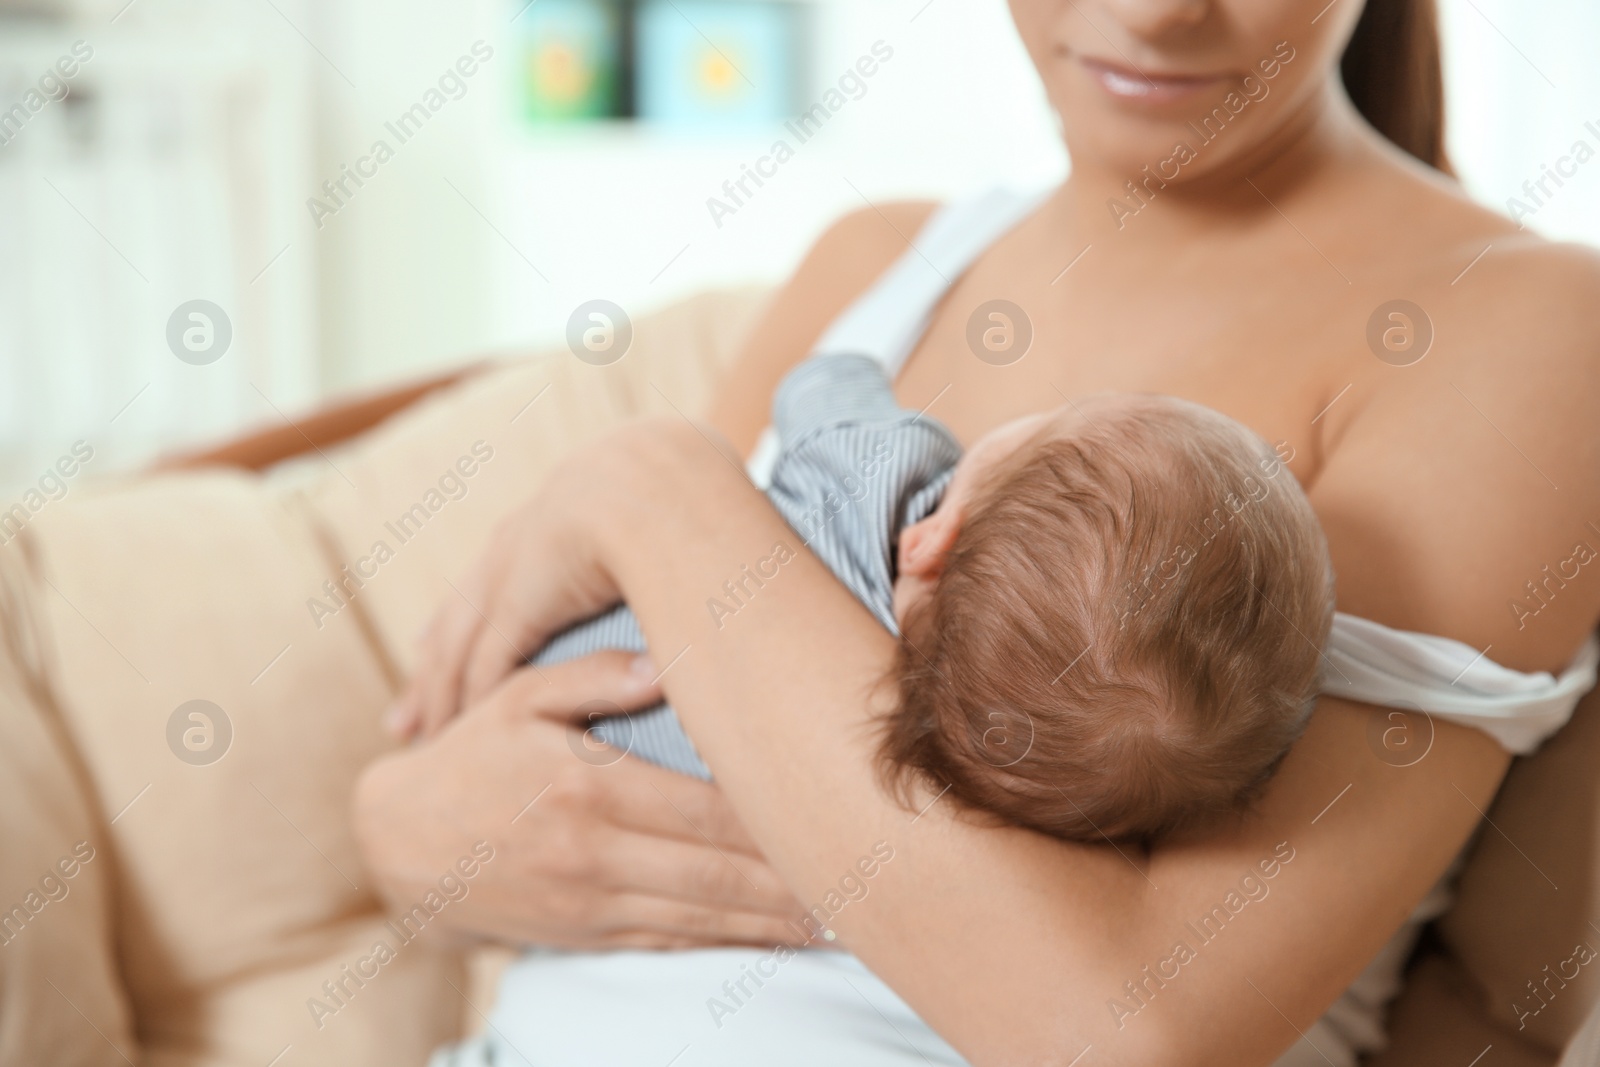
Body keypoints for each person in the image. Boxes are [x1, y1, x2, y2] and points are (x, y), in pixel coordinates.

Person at [358, 0, 1600, 1064]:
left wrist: (654, 490)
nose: (1157, 10)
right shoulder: (879, 260)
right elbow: (515, 745)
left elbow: (1126, 1029)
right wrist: (411, 832)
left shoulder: (1531, 329)